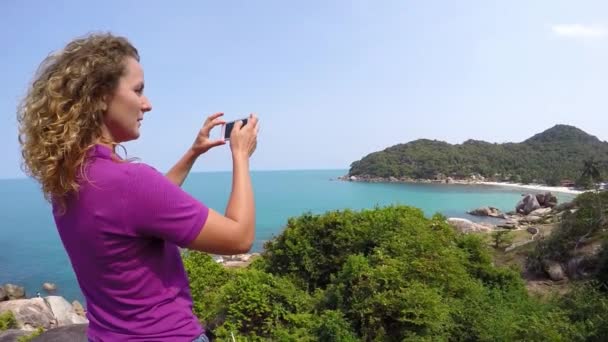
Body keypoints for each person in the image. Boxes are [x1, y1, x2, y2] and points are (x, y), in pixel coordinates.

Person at [17, 33, 259, 341]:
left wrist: (193, 152)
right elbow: (240, 237)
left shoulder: (68, 179)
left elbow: (138, 213)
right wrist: (240, 155)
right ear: (101, 95)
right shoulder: (130, 183)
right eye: (138, 90)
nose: (147, 104)